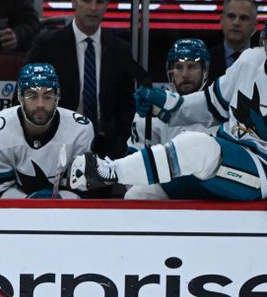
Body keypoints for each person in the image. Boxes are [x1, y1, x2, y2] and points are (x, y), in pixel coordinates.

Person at [69, 26, 267, 202]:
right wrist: (166, 105)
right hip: (222, 158)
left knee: (198, 146)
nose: (185, 73)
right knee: (139, 194)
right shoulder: (251, 60)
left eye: (192, 66)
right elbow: (211, 104)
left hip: (259, 170)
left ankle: (108, 171)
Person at [26, 0, 143, 158]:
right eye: (87, 0)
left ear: (106, 5)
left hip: (106, 149)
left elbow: (126, 106)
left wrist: (119, 144)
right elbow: (24, 95)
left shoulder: (119, 49)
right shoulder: (47, 45)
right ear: (74, 1)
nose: (93, 8)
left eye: (100, 1)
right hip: (55, 144)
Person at [0, 62, 93, 198]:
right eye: (32, 96)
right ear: (20, 97)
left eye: (47, 96)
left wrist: (57, 202)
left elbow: (78, 189)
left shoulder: (80, 130)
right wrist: (31, 203)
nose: (40, 104)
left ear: (57, 97)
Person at [208, 0, 258, 83]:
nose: (236, 23)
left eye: (243, 18)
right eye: (231, 16)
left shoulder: (263, 61)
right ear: (221, 20)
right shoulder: (206, 59)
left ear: (254, 25)